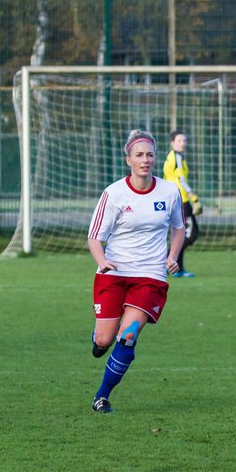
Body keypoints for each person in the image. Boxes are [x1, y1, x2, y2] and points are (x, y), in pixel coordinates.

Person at [86, 129, 186, 413]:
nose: (146, 160)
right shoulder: (114, 193)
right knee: (105, 339)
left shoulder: (169, 192)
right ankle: (99, 340)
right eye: (139, 155)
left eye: (150, 155)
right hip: (114, 273)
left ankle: (101, 397)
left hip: (150, 275)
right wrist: (102, 259)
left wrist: (173, 256)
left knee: (128, 334)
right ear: (128, 159)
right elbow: (94, 236)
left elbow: (179, 228)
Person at [162, 129, 201, 278]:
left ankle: (177, 267)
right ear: (172, 143)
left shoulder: (174, 157)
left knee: (183, 234)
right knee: (190, 234)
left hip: (178, 200)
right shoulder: (176, 157)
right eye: (179, 140)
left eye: (184, 140)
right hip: (181, 201)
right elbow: (181, 180)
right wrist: (193, 197)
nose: (183, 143)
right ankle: (168, 262)